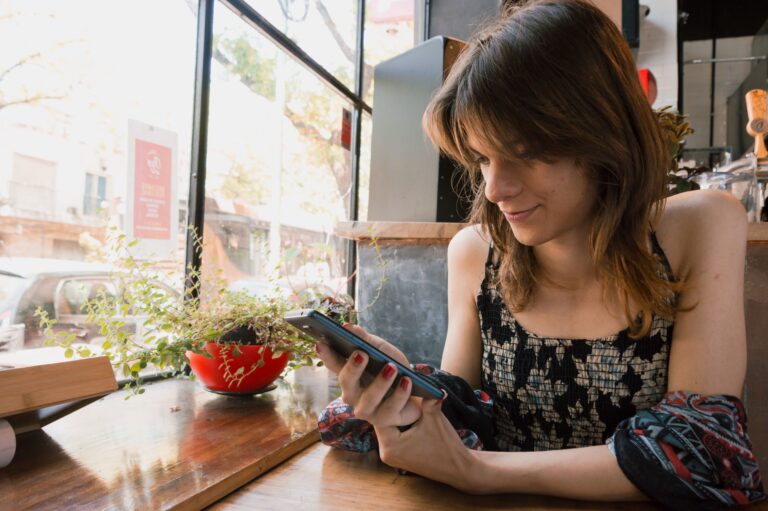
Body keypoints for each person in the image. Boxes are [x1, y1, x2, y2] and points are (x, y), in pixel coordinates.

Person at [314, 0, 765, 507]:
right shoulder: (476, 253)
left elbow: (700, 450)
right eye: (483, 157)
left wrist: (477, 471)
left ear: (604, 133)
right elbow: (468, 417)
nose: (495, 189)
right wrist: (409, 391)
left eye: (526, 153)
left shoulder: (700, 225)